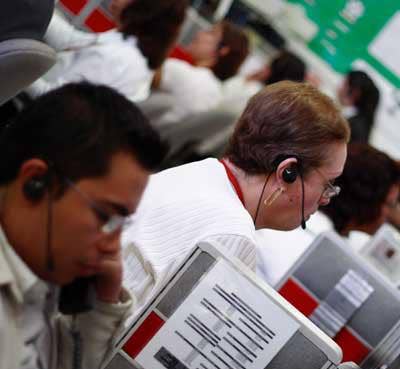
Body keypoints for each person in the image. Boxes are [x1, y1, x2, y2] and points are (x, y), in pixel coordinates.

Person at [122, 81, 350, 321]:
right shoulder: (231, 234)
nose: (326, 200)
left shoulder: (201, 172)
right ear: (287, 172)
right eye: (327, 184)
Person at [0, 82, 167, 369]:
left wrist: (99, 308)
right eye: (105, 216)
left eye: (121, 224)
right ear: (36, 181)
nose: (112, 246)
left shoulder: (38, 277)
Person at [256, 143, 400, 286]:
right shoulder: (306, 243)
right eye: (392, 204)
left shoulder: (328, 236)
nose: (393, 214)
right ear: (368, 200)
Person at [26, 0, 188, 103]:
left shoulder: (115, 58)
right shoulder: (130, 48)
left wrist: (18, 68)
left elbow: (49, 97)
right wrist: (36, 8)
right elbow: (71, 40)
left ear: (144, 8)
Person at [153, 20, 250, 126]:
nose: (200, 33)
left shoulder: (183, 73)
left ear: (223, 50)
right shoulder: (216, 95)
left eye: (210, 32)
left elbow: (143, 71)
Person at [222, 50, 307, 114]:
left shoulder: (252, 90)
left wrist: (245, 80)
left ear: (270, 71)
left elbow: (222, 100)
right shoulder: (270, 106)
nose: (264, 66)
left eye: (269, 63)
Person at [337, 70, 380, 143]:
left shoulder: (351, 126)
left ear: (355, 92)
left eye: (344, 84)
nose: (339, 88)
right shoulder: (356, 121)